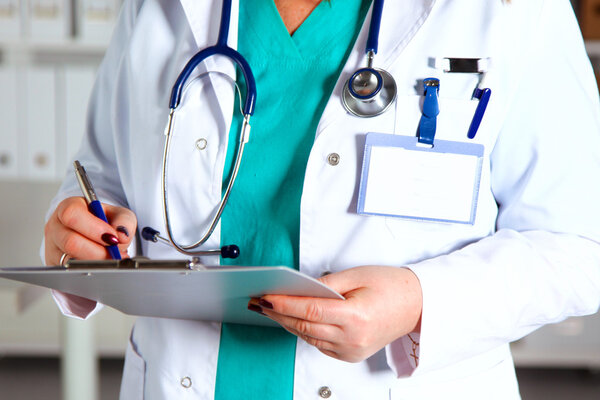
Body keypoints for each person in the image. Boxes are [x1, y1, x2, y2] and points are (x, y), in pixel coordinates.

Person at [42, 0, 600, 398]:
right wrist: (76, 226)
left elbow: (579, 247)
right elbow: (100, 170)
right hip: (175, 376)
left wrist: (419, 300)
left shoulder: (515, 12)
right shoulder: (156, 8)